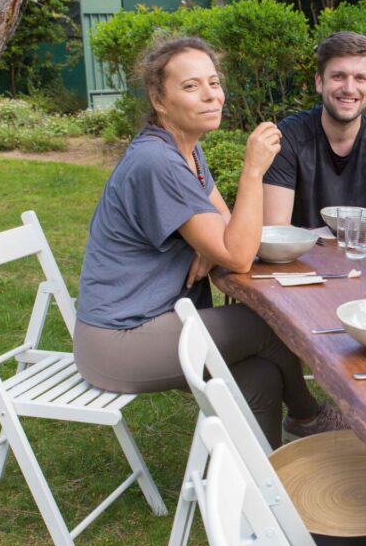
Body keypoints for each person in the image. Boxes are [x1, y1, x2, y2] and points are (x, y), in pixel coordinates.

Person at [74, 37, 345, 448]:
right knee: (268, 325)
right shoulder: (158, 163)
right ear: (158, 99)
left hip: (159, 324)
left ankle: (264, 492)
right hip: (119, 341)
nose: (209, 96)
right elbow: (238, 253)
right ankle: (309, 416)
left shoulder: (186, 152)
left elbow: (228, 230)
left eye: (213, 83)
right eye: (190, 86)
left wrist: (206, 244)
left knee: (261, 379)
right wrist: (253, 171)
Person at [262, 31, 366, 229]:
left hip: (365, 260)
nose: (349, 88)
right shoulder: (288, 138)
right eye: (338, 76)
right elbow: (276, 232)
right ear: (319, 82)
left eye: (360, 78)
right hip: (298, 259)